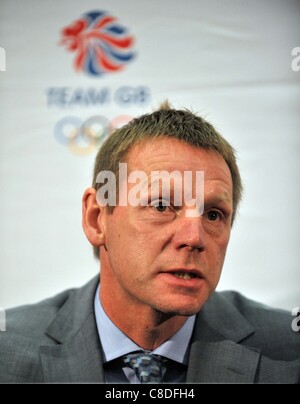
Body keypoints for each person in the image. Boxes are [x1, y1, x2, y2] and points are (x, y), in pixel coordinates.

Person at [0, 102, 299, 384]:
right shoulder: (7, 353)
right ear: (96, 218)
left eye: (213, 214)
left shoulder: (290, 352)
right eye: (160, 206)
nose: (194, 238)